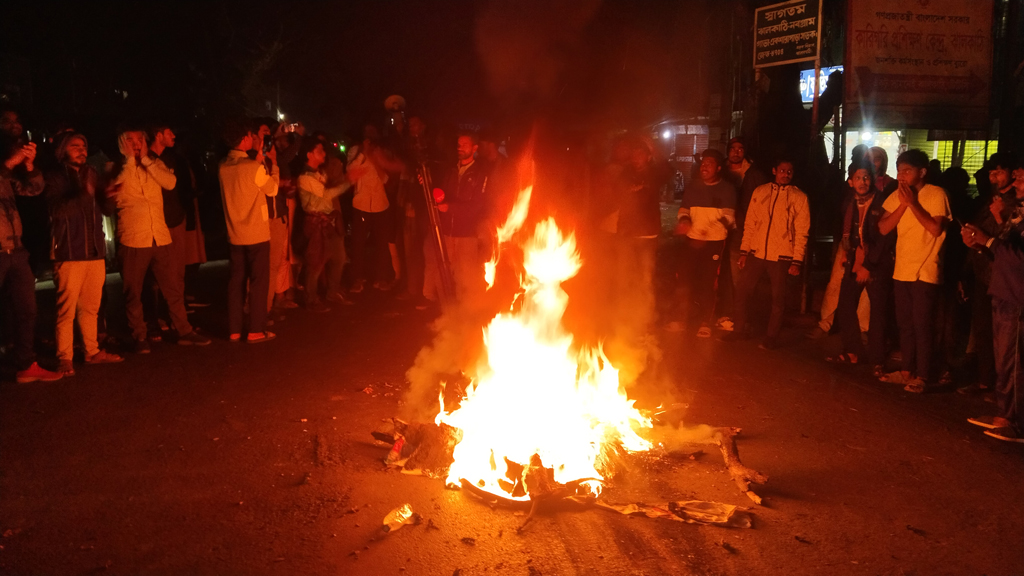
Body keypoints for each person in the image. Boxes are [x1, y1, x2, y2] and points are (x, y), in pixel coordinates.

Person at [107, 129, 209, 352]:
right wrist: (129, 161)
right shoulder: (114, 167)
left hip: (159, 236)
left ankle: (184, 330)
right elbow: (118, 187)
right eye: (130, 141)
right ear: (120, 144)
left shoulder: (153, 163)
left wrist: (144, 159)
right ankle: (139, 335)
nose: (135, 144)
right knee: (133, 291)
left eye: (140, 140)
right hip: (134, 238)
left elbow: (170, 182)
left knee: (172, 287)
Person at [46, 133, 123, 375]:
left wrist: (109, 195)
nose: (81, 150)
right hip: (69, 251)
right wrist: (85, 193)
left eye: (83, 146)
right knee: (66, 310)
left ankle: (92, 351)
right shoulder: (55, 177)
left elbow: (105, 209)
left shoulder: (92, 174)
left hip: (94, 252)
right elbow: (57, 211)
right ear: (62, 151)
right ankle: (65, 357)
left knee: (91, 307)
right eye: (74, 146)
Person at [876, 149, 951, 392]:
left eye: (907, 171)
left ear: (922, 172)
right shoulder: (897, 196)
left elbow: (935, 229)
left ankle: (924, 374)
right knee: (905, 323)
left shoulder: (936, 194)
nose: (902, 176)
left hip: (926, 269)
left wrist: (913, 204)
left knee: (922, 324)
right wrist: (903, 205)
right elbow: (884, 228)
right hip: (902, 268)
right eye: (899, 172)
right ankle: (907, 370)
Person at [729, 158, 810, 349]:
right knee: (742, 291)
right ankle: (738, 330)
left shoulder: (799, 198)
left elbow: (802, 231)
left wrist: (797, 260)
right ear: (774, 170)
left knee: (778, 299)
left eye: (789, 171)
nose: (786, 174)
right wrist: (744, 251)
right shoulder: (761, 192)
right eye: (782, 170)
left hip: (782, 256)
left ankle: (771, 337)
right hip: (756, 253)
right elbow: (750, 224)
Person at [963, 191, 1024, 442]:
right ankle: (1004, 414)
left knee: (1013, 363)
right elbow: (1003, 254)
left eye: (1021, 177)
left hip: (1017, 296)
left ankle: (1015, 421)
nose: (1015, 183)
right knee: (1004, 360)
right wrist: (981, 244)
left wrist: (989, 242)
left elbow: (1018, 257)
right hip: (1004, 292)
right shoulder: (1016, 215)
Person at [0, 139, 62, 382]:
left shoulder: (4, 174)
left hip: (15, 249)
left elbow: (33, 189)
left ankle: (26, 364)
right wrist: (9, 163)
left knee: (26, 309)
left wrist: (28, 165)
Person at [825, 161, 895, 373]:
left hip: (877, 264)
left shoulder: (883, 203)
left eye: (866, 177)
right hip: (854, 262)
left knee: (878, 313)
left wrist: (869, 265)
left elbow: (884, 239)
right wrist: (847, 253)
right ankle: (854, 350)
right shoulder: (849, 203)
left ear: (872, 179)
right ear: (850, 181)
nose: (863, 182)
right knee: (846, 307)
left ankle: (877, 359)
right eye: (858, 178)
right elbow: (848, 232)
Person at [218, 120, 278, 343]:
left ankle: (234, 330)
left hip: (235, 234)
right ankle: (255, 329)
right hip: (257, 234)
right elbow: (272, 189)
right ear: (244, 139)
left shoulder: (223, 166)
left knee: (235, 281)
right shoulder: (253, 167)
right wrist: (274, 166)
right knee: (259, 282)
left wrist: (258, 161)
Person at [671, 149, 736, 337]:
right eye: (703, 163)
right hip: (692, 240)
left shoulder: (727, 189)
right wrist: (684, 221)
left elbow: (729, 219)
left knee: (709, 283)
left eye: (709, 163)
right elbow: (684, 210)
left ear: (718, 168)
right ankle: (681, 318)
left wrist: (709, 227)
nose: (704, 166)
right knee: (684, 279)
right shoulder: (693, 187)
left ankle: (705, 321)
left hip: (714, 243)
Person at [423, 131, 490, 303]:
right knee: (443, 272)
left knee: (466, 278)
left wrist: (450, 208)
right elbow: (440, 193)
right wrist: (427, 183)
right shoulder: (451, 170)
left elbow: (478, 206)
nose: (460, 148)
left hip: (466, 235)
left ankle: (466, 314)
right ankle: (447, 312)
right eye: (459, 144)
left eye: (464, 145)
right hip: (446, 232)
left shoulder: (480, 174)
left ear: (474, 148)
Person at [297, 139, 351, 312]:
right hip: (316, 224)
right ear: (309, 154)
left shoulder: (318, 173)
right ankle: (311, 299)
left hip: (327, 221)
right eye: (319, 150)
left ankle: (332, 291)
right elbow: (326, 194)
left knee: (339, 257)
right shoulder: (304, 178)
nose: (324, 153)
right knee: (316, 262)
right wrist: (349, 181)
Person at [347, 130, 404, 293]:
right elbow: (351, 173)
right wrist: (363, 155)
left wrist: (376, 160)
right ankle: (357, 279)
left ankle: (381, 278)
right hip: (361, 205)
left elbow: (386, 178)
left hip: (380, 205)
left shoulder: (380, 153)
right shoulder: (355, 152)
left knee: (382, 244)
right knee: (358, 244)